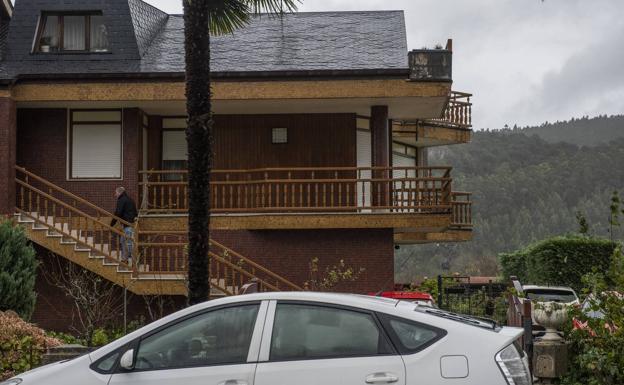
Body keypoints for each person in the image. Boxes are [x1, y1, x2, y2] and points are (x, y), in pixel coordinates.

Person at [110, 187, 138, 266]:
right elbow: (135, 213)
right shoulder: (130, 200)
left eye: (116, 193)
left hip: (127, 225)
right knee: (123, 242)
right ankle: (124, 260)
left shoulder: (121, 200)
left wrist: (112, 224)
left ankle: (134, 262)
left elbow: (118, 213)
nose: (115, 195)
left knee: (129, 244)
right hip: (129, 225)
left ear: (120, 192)